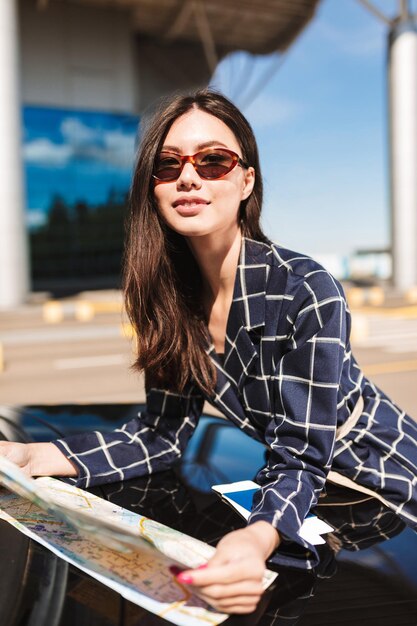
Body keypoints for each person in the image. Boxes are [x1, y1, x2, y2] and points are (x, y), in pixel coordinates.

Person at [1, 89, 416, 615]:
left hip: (383, 477)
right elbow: (159, 436)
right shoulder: (167, 299)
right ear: (151, 188)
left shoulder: (303, 288)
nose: (189, 177)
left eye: (213, 160)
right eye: (168, 164)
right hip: (316, 496)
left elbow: (300, 454)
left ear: (246, 180)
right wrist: (33, 456)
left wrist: (256, 538)